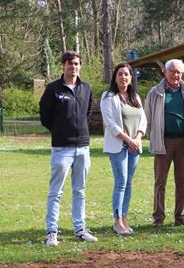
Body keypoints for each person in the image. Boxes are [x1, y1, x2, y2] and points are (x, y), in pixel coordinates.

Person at [39, 51, 97, 246]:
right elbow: (45, 116)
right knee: (56, 192)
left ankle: (80, 229)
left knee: (80, 190)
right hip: (61, 148)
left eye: (77, 64)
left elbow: (88, 112)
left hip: (82, 148)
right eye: (70, 64)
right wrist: (59, 130)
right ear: (63, 65)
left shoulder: (86, 88)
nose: (74, 67)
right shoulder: (53, 89)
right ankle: (51, 232)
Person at [144, 59, 184, 227]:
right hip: (163, 141)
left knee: (182, 181)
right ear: (165, 72)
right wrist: (150, 136)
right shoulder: (155, 92)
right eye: (173, 71)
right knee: (160, 182)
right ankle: (158, 218)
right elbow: (147, 116)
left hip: (182, 142)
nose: (176, 75)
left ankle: (180, 217)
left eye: (179, 72)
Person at [100, 63, 147, 235]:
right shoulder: (108, 97)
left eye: (126, 74)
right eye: (120, 74)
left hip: (134, 146)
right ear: (115, 77)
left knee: (128, 183)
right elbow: (110, 124)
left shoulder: (136, 98)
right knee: (120, 183)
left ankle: (125, 218)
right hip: (118, 146)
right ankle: (117, 221)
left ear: (131, 77)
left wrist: (137, 139)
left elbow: (143, 121)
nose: (123, 77)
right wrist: (128, 139)